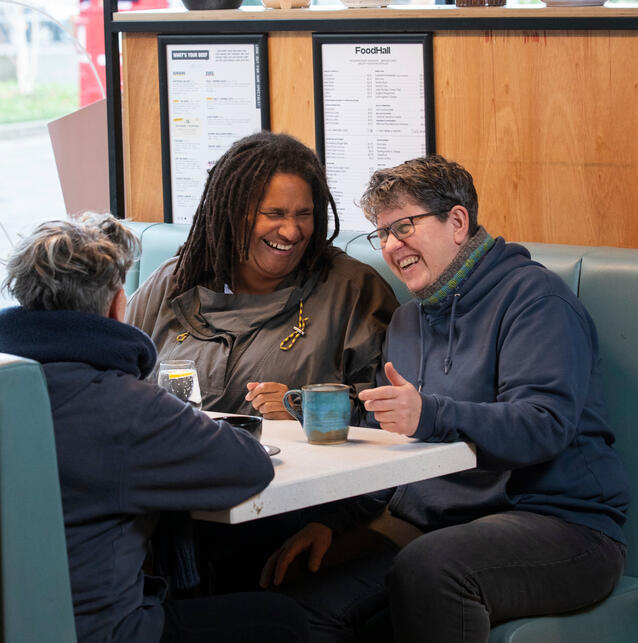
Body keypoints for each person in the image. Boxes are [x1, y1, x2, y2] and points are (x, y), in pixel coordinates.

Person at [261, 155, 630, 642]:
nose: (392, 246)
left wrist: (429, 414)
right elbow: (384, 442)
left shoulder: (537, 300)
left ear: (457, 221)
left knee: (431, 568)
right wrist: (333, 521)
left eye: (404, 226)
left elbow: (543, 425)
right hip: (437, 523)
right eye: (383, 233)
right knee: (297, 604)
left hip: (562, 525)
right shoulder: (410, 321)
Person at [0, 213, 310, 643]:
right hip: (99, 632)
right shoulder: (123, 405)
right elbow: (249, 466)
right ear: (119, 304)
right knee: (280, 620)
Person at [126, 132, 398, 418]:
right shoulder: (174, 282)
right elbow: (111, 381)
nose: (291, 231)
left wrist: (305, 409)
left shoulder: (352, 291)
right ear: (232, 213)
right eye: (274, 214)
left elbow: (384, 412)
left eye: (303, 214)